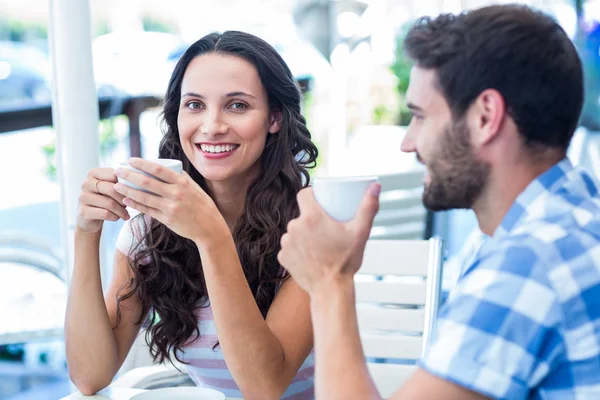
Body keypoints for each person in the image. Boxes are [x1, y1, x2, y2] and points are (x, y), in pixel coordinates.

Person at [278, 4, 600, 399]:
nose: (407, 142)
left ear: (485, 117)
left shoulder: (528, 262)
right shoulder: (576, 210)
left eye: (419, 116)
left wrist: (329, 281)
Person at [65, 31, 318, 400]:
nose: (212, 125)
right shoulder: (151, 234)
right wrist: (86, 233)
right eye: (195, 104)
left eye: (237, 105)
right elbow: (90, 376)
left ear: (275, 118)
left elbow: (264, 388)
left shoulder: (311, 228)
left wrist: (211, 236)